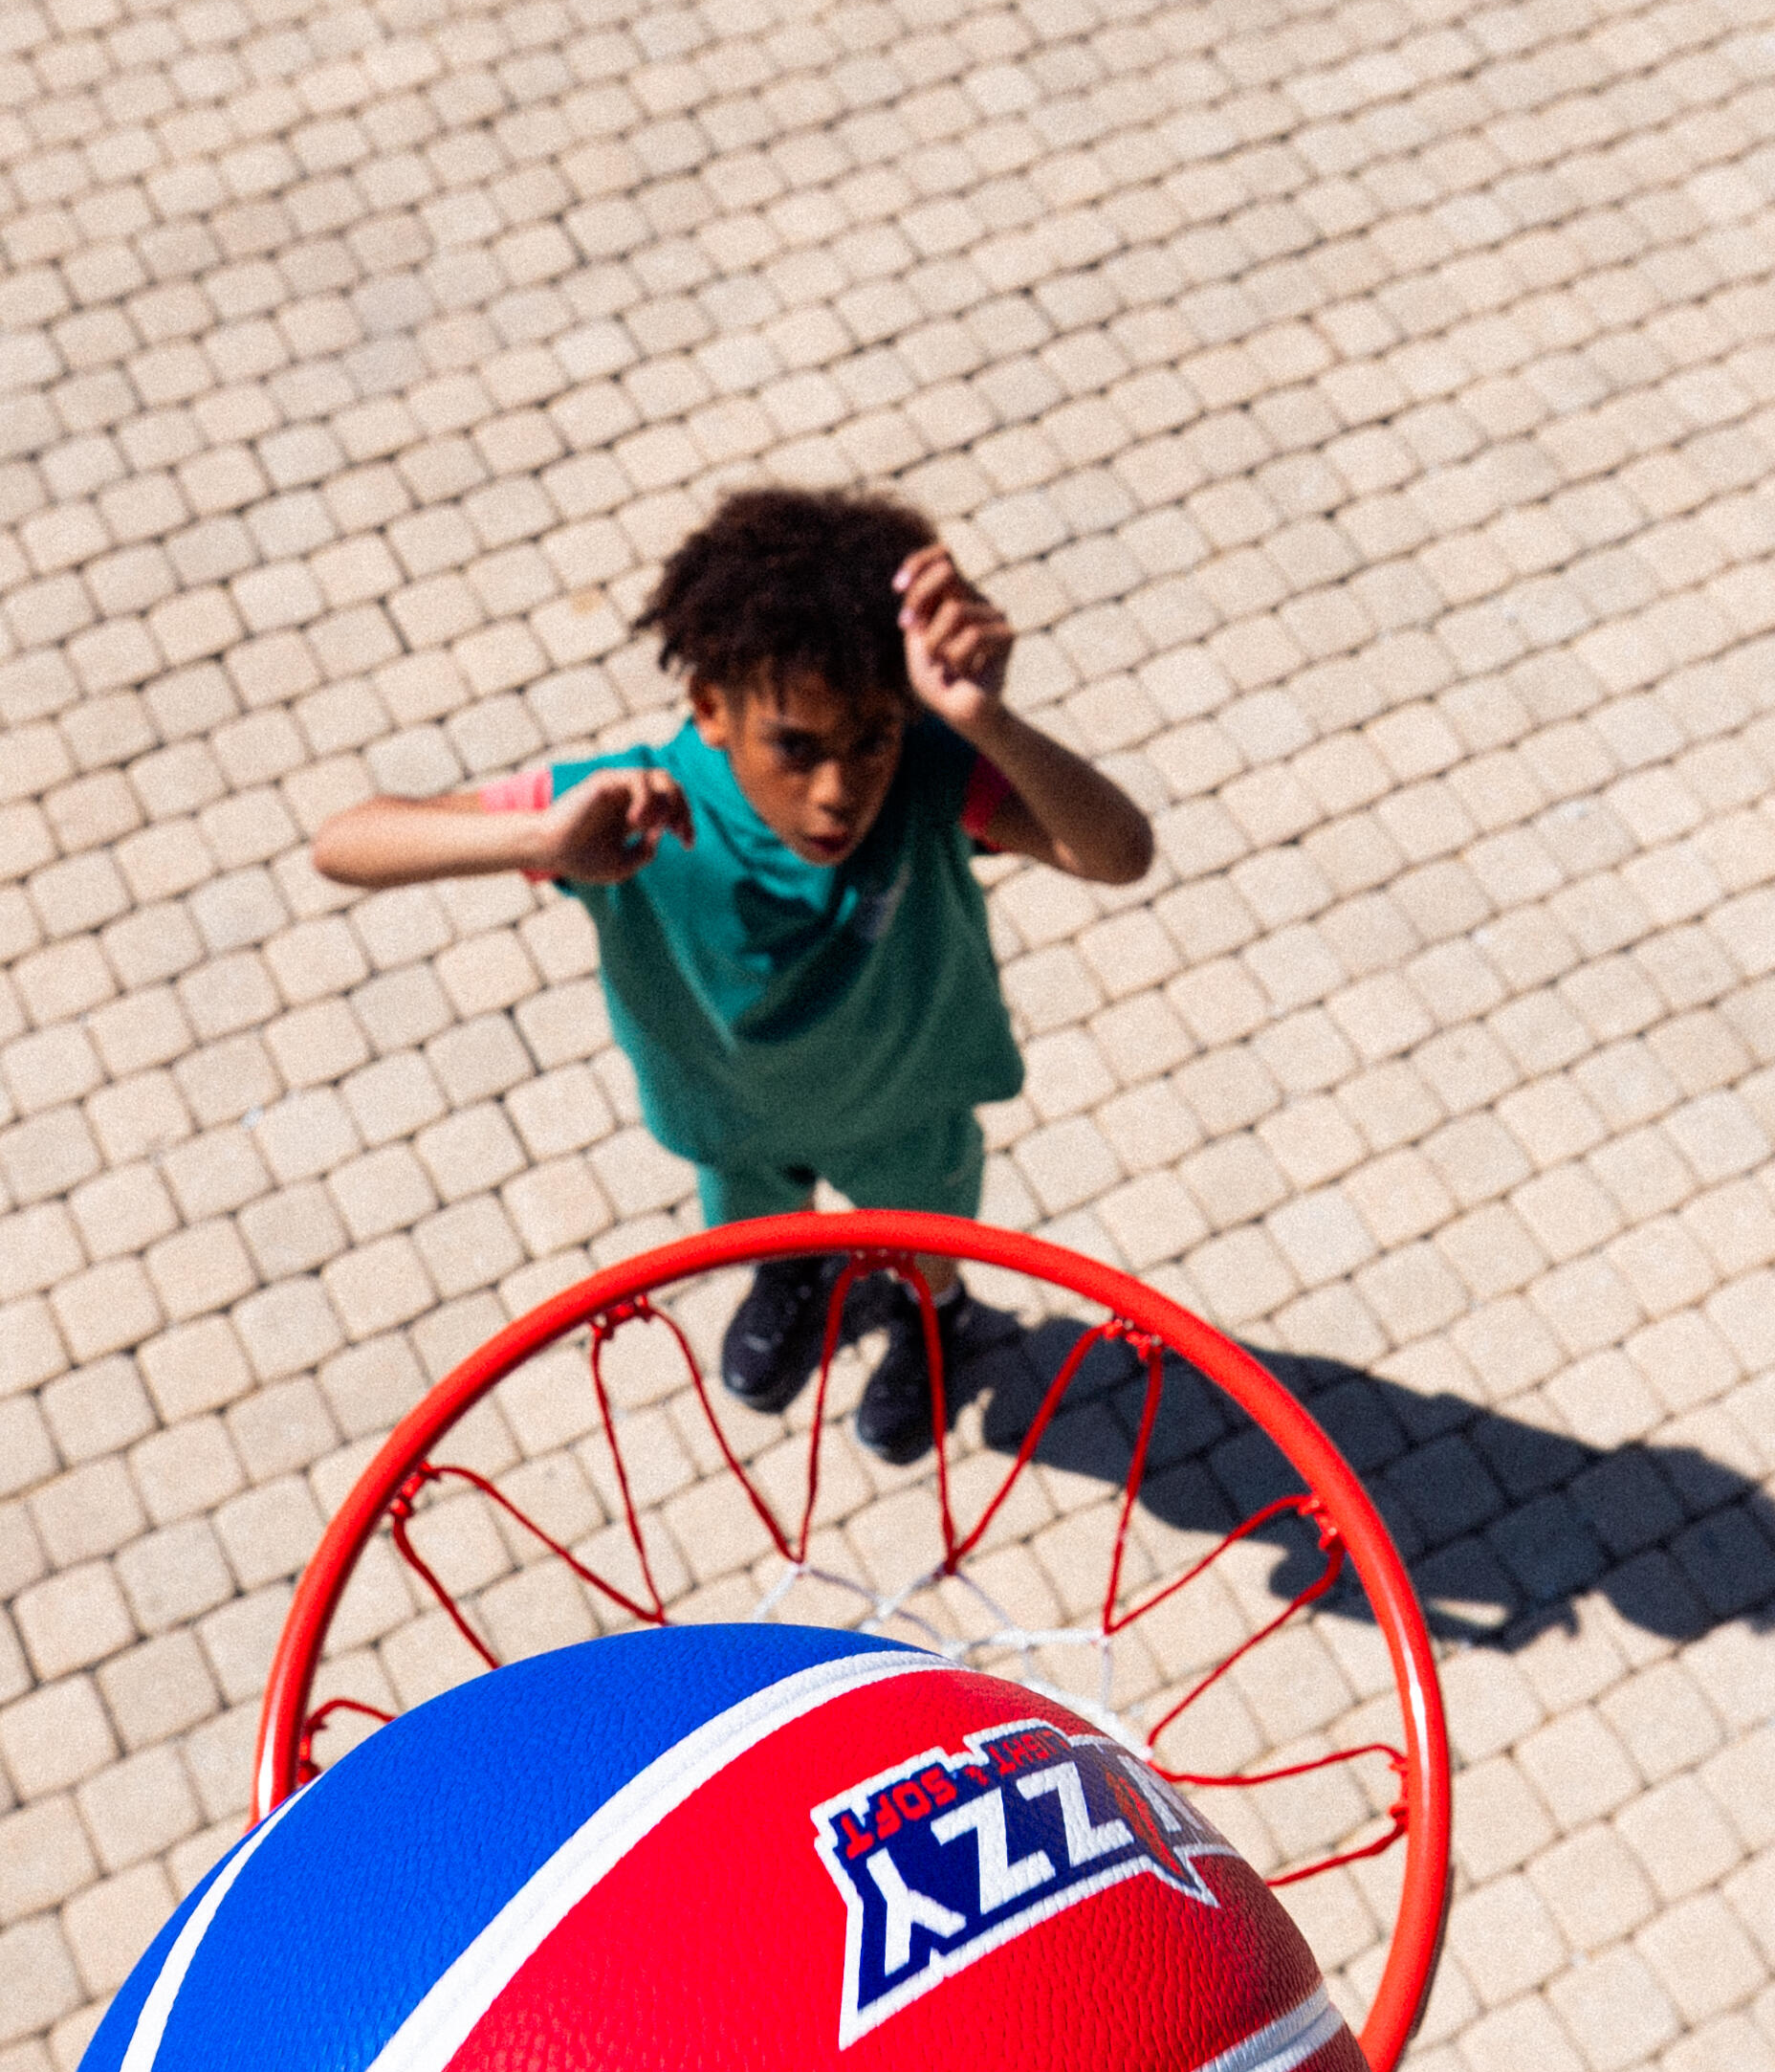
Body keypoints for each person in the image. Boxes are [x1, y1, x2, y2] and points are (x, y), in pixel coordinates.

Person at [309, 484, 1156, 1459]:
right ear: (711, 705)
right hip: (732, 1115)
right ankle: (794, 1276)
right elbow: (345, 842)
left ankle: (935, 1322)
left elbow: (1119, 851)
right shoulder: (623, 811)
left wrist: (984, 721)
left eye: (871, 740)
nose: (840, 791)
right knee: (767, 1223)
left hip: (905, 1105)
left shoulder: (929, 775)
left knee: (928, 1249)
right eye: (796, 749)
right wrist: (535, 836)